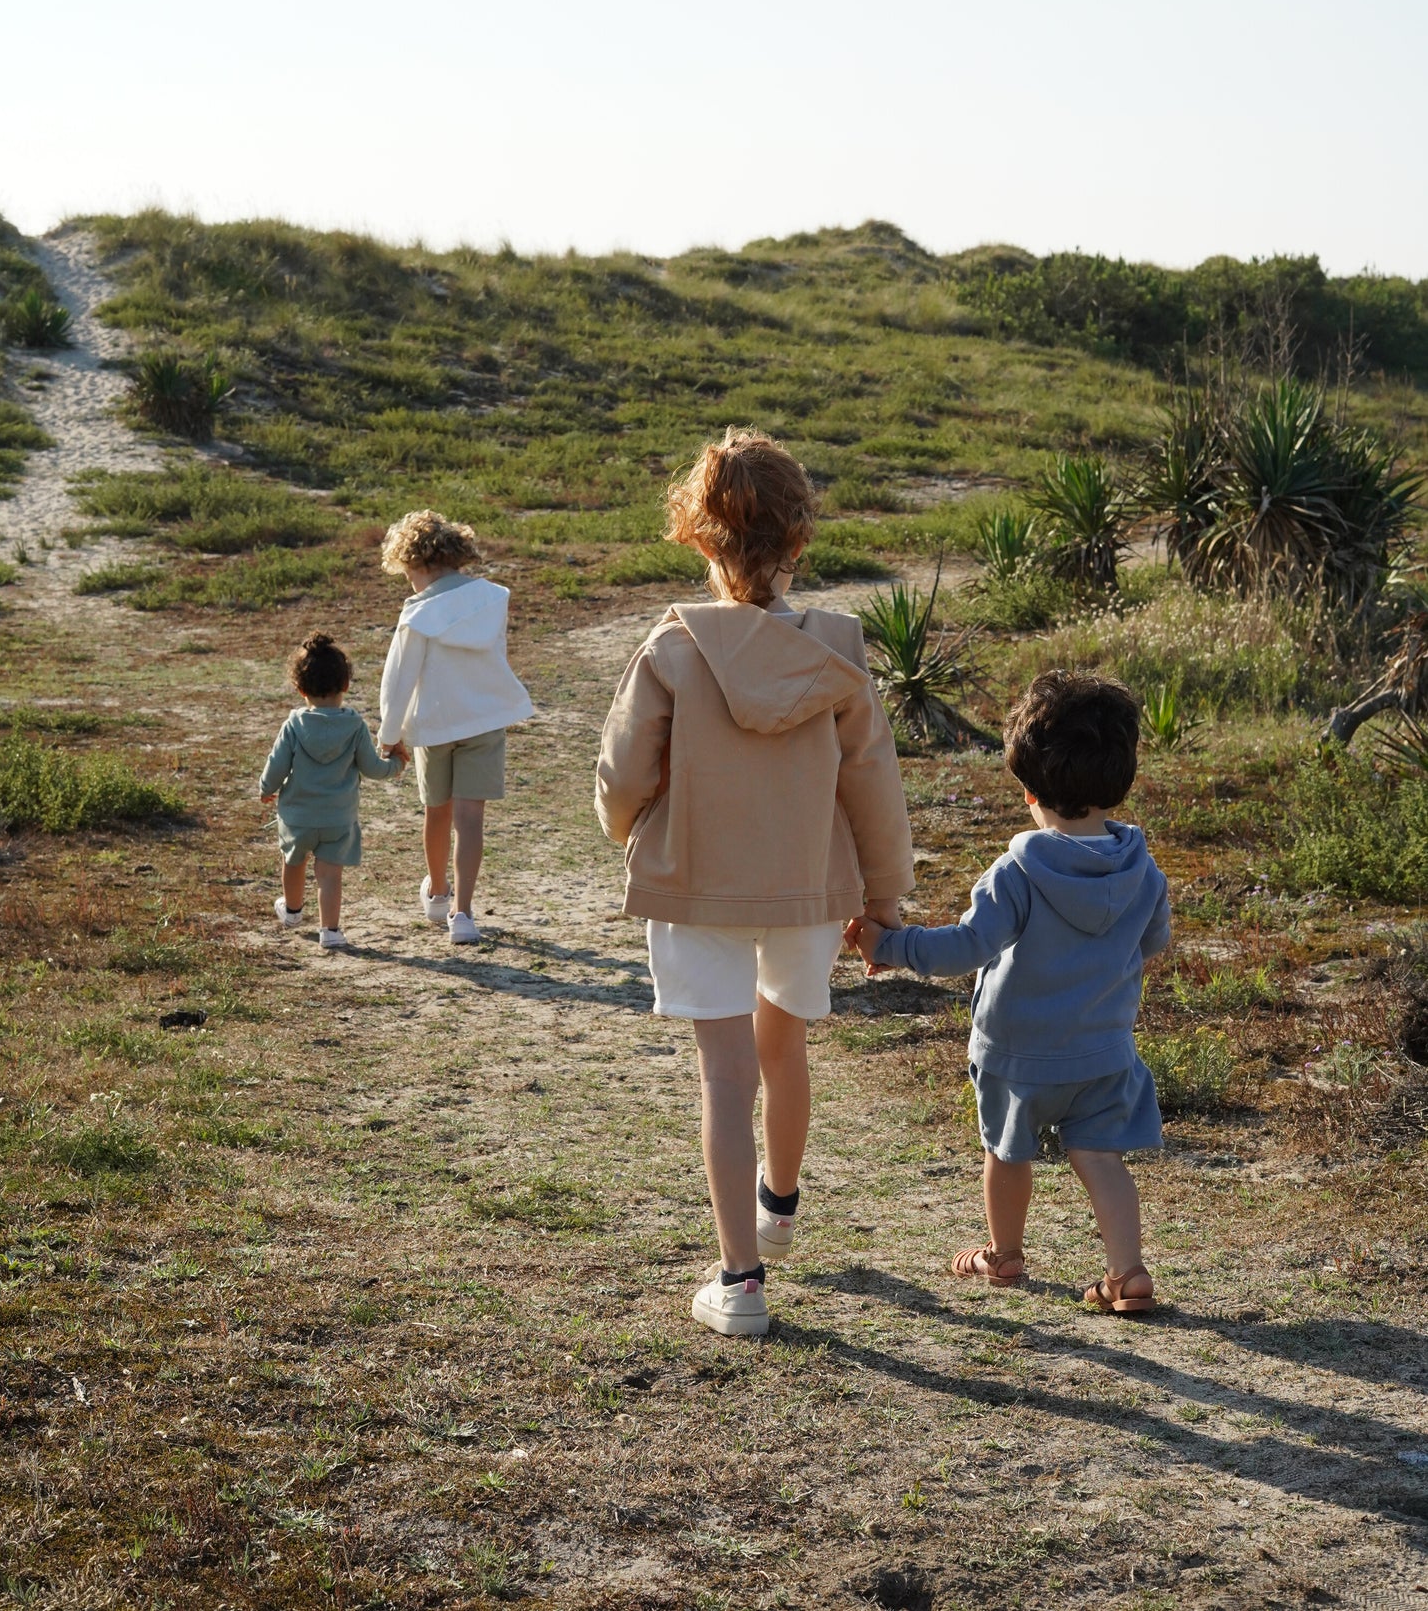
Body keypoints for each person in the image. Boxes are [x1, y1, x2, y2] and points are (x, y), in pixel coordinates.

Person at [595, 428, 913, 1337]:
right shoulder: (841, 653)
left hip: (697, 882)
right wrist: (884, 895)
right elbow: (873, 783)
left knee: (723, 1074)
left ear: (698, 539)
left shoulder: (671, 649)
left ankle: (738, 1283)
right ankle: (779, 1208)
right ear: (800, 540)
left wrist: (628, 832)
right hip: (809, 885)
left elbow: (623, 777)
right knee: (785, 1046)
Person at [848, 669, 1170, 1314]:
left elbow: (967, 946)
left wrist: (889, 945)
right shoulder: (1142, 868)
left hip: (1016, 1052)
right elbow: (1152, 943)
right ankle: (1127, 1272)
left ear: (1027, 789)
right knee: (1100, 1158)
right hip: (1103, 1048)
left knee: (1006, 1150)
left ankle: (1004, 1255)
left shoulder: (1018, 869)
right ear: (1120, 778)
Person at [377, 509, 534, 947]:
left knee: (437, 811)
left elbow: (398, 679)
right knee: (471, 818)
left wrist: (389, 736)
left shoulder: (417, 613)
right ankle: (463, 914)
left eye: (407, 571)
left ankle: (437, 891)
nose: (408, 580)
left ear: (420, 563)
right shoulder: (493, 597)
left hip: (436, 723)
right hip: (485, 719)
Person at [260, 632, 405, 950]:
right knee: (329, 874)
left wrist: (267, 789)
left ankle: (293, 911)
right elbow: (372, 768)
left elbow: (276, 766)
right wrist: (396, 764)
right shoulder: (354, 726)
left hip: (298, 815)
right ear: (345, 686)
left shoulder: (294, 726)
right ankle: (331, 931)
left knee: (293, 861)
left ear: (300, 690)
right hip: (338, 818)